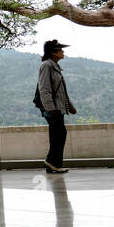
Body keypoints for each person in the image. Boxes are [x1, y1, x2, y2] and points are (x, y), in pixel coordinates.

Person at [37, 39, 77, 174]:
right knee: (59, 134)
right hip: (52, 109)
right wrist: (50, 108)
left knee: (58, 134)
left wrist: (70, 107)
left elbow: (62, 90)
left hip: (58, 107)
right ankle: (52, 162)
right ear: (53, 53)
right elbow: (44, 89)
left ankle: (52, 163)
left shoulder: (55, 67)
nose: (63, 51)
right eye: (60, 49)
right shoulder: (46, 66)